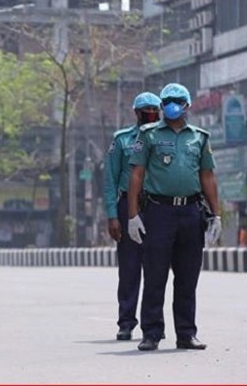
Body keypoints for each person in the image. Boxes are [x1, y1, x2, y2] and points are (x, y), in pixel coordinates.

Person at [126, 83, 221, 351]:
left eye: (178, 100)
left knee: (188, 276)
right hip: (159, 212)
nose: (172, 105)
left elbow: (208, 177)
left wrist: (216, 215)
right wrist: (133, 215)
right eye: (167, 100)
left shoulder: (199, 137)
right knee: (155, 275)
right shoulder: (148, 135)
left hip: (191, 212)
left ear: (187, 105)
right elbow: (136, 174)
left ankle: (186, 333)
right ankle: (152, 333)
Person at [103, 92, 161, 341]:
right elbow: (110, 180)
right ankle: (126, 322)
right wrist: (112, 215)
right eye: (145, 109)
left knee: (157, 268)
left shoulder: (164, 137)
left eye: (154, 108)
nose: (150, 112)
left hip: (158, 206)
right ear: (136, 113)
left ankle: (154, 323)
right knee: (129, 268)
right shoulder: (122, 140)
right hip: (128, 204)